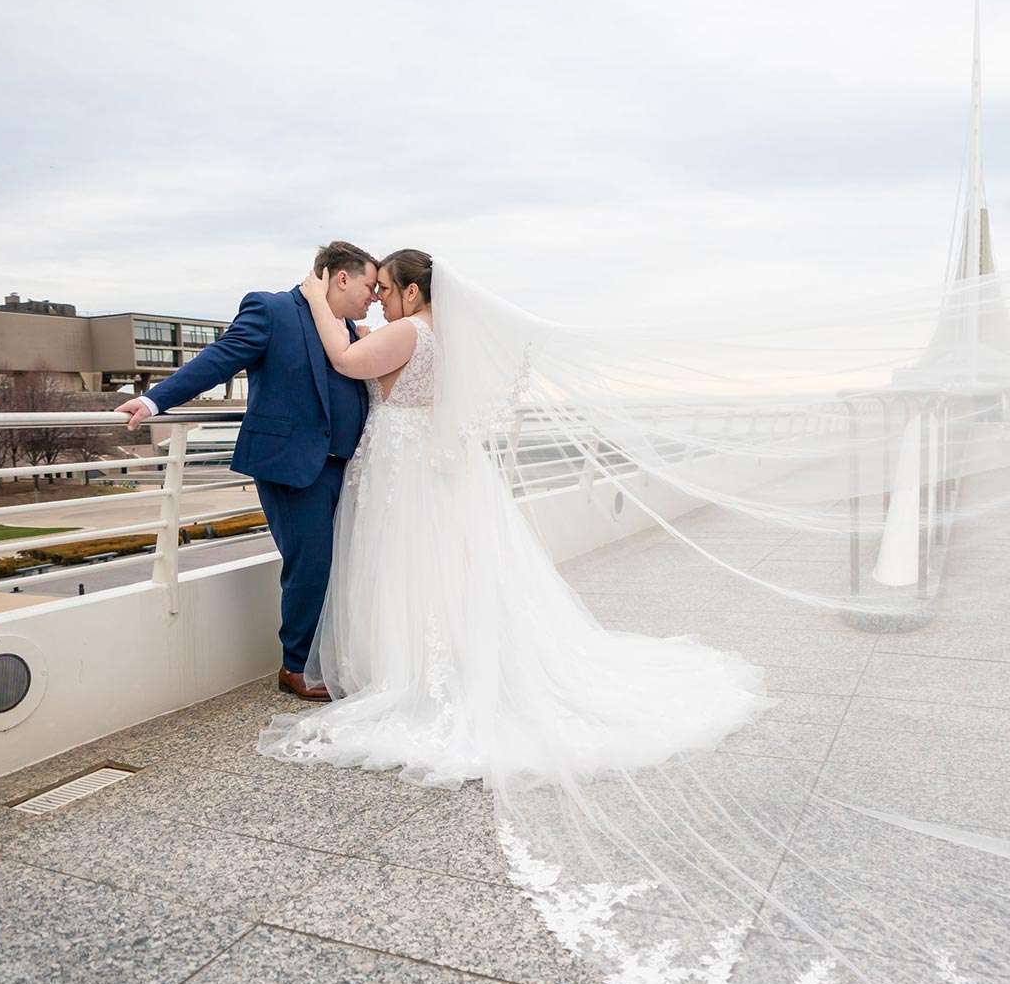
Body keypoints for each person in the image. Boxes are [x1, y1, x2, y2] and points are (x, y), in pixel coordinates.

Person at [256, 248, 770, 787]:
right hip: (423, 463)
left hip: (402, 465)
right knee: (434, 566)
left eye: (386, 288)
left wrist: (316, 298)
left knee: (406, 564)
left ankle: (408, 670)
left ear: (413, 292)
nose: (379, 299)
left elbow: (344, 359)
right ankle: (429, 660)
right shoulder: (443, 335)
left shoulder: (410, 333)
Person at [116, 242, 376, 701]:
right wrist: (156, 399)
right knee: (311, 564)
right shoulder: (272, 309)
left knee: (344, 565)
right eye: (369, 286)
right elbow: (219, 360)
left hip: (344, 467)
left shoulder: (350, 327)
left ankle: (328, 658)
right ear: (341, 278)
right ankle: (295, 667)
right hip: (293, 466)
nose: (373, 296)